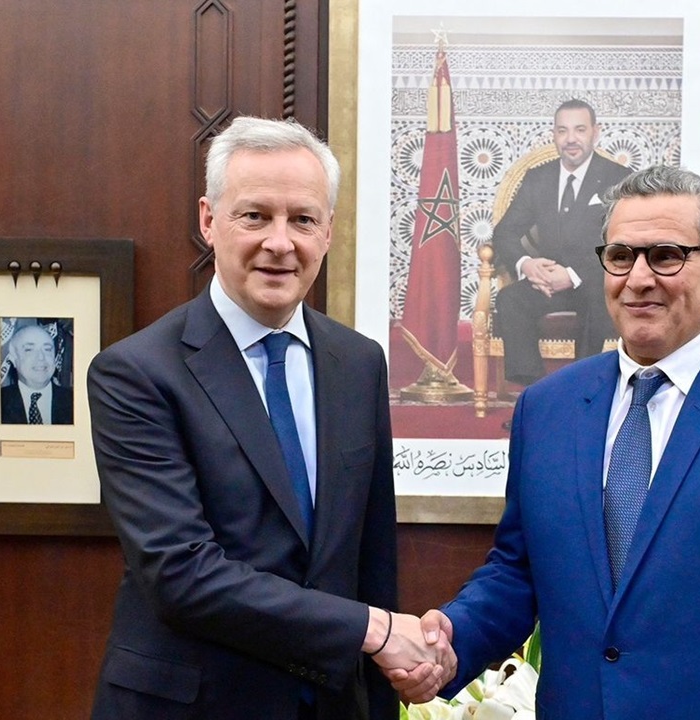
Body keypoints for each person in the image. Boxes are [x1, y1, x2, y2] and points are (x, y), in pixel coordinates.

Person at [393, 166, 700, 718]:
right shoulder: (548, 408)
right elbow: (520, 570)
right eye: (620, 256)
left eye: (665, 256)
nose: (637, 278)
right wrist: (453, 637)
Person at [87, 116, 452, 720]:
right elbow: (181, 573)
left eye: (302, 219)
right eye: (255, 216)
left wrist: (393, 671)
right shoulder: (136, 373)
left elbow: (371, 560)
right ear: (209, 220)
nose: (280, 243)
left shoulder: (359, 363)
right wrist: (375, 630)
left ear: (328, 231)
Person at [491, 98, 631, 386]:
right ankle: (533, 389)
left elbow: (624, 244)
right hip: (548, 283)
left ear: (595, 132)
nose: (571, 139)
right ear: (553, 134)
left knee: (597, 300)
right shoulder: (538, 178)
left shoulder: (618, 178)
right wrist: (527, 265)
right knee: (510, 299)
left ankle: (583, 390)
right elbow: (504, 232)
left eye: (580, 129)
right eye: (562, 130)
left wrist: (572, 275)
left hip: (595, 281)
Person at [0, 322, 73, 425]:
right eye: (29, 350)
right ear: (13, 359)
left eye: (47, 349)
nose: (41, 357)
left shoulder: (75, 401)